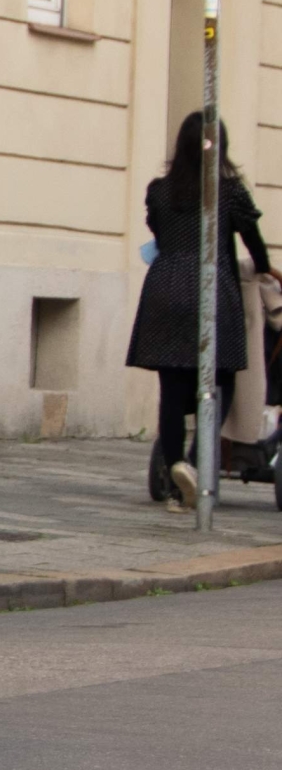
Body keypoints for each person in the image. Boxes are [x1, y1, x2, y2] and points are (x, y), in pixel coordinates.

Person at [126, 110, 268, 504]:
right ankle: (193, 460)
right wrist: (265, 269)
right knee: (220, 384)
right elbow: (254, 245)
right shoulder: (231, 192)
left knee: (172, 392)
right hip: (212, 288)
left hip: (165, 288)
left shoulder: (159, 190)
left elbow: (158, 232)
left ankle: (174, 478)